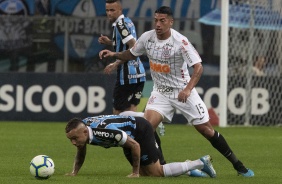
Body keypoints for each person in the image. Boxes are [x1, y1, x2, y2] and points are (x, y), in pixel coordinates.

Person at [99, 6, 254, 177]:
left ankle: (239, 166)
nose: (158, 24)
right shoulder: (147, 38)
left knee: (206, 131)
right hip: (160, 93)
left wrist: (188, 89)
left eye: (162, 20)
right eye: (156, 20)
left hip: (183, 92)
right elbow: (132, 53)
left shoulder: (180, 42)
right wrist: (114, 55)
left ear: (170, 22)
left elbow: (198, 67)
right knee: (146, 128)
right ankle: (164, 167)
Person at [65, 115, 216, 178]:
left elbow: (135, 145)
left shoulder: (105, 133)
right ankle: (190, 171)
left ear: (85, 131)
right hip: (128, 136)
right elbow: (81, 150)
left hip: (140, 132)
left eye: (74, 138)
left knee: (156, 173)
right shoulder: (83, 130)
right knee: (148, 174)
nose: (73, 142)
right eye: (70, 139)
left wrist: (135, 172)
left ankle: (201, 163)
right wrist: (74, 172)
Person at [98, 0, 146, 115]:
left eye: (112, 10)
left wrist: (115, 61)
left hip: (127, 75)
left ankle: (151, 122)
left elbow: (134, 47)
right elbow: (124, 44)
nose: (109, 13)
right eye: (107, 10)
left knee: (118, 113)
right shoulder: (128, 22)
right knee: (131, 110)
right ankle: (144, 127)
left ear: (120, 10)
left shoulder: (120, 25)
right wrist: (110, 42)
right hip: (139, 74)